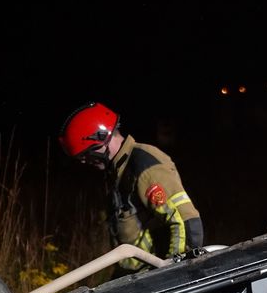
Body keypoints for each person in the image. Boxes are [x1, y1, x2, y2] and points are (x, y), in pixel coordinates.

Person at [59, 102, 203, 273]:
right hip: (136, 274)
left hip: (155, 272)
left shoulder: (143, 164)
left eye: (86, 155)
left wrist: (173, 272)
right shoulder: (119, 172)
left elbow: (185, 220)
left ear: (101, 139)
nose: (85, 161)